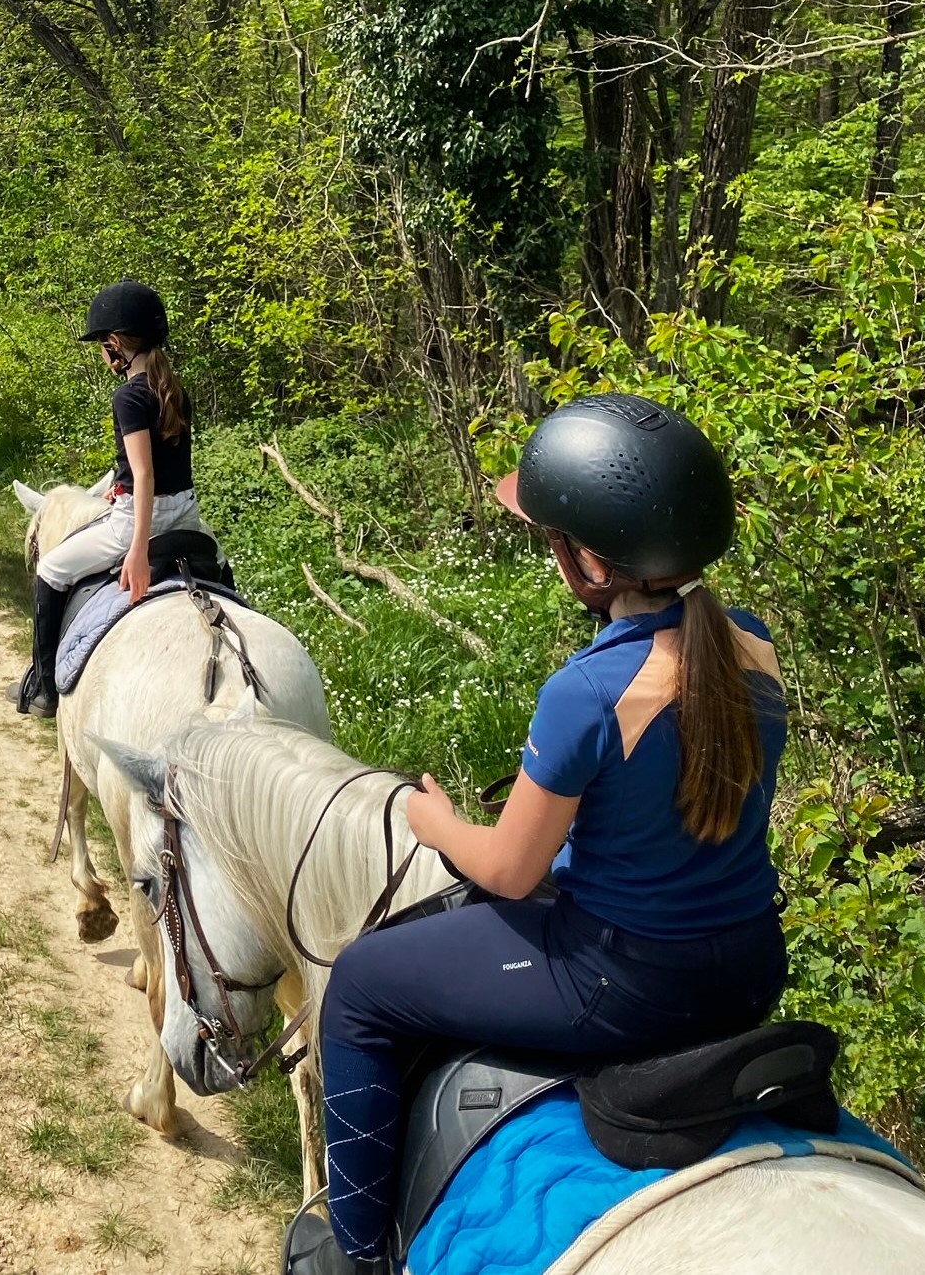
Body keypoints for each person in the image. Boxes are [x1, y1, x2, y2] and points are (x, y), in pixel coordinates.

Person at [288, 394, 789, 1275]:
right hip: (747, 971)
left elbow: (511, 871)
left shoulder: (587, 692)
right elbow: (684, 822)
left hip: (624, 981)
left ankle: (355, 1252)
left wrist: (437, 820)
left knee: (362, 983)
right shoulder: (753, 646)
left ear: (588, 561)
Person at [15, 280, 213, 719]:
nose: (104, 355)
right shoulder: (173, 387)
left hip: (138, 521)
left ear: (116, 343)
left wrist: (138, 549)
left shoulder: (128, 395)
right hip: (187, 514)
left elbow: (145, 474)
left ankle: (46, 688)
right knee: (218, 572)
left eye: (103, 346)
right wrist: (117, 484)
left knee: (51, 569)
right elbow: (162, 468)